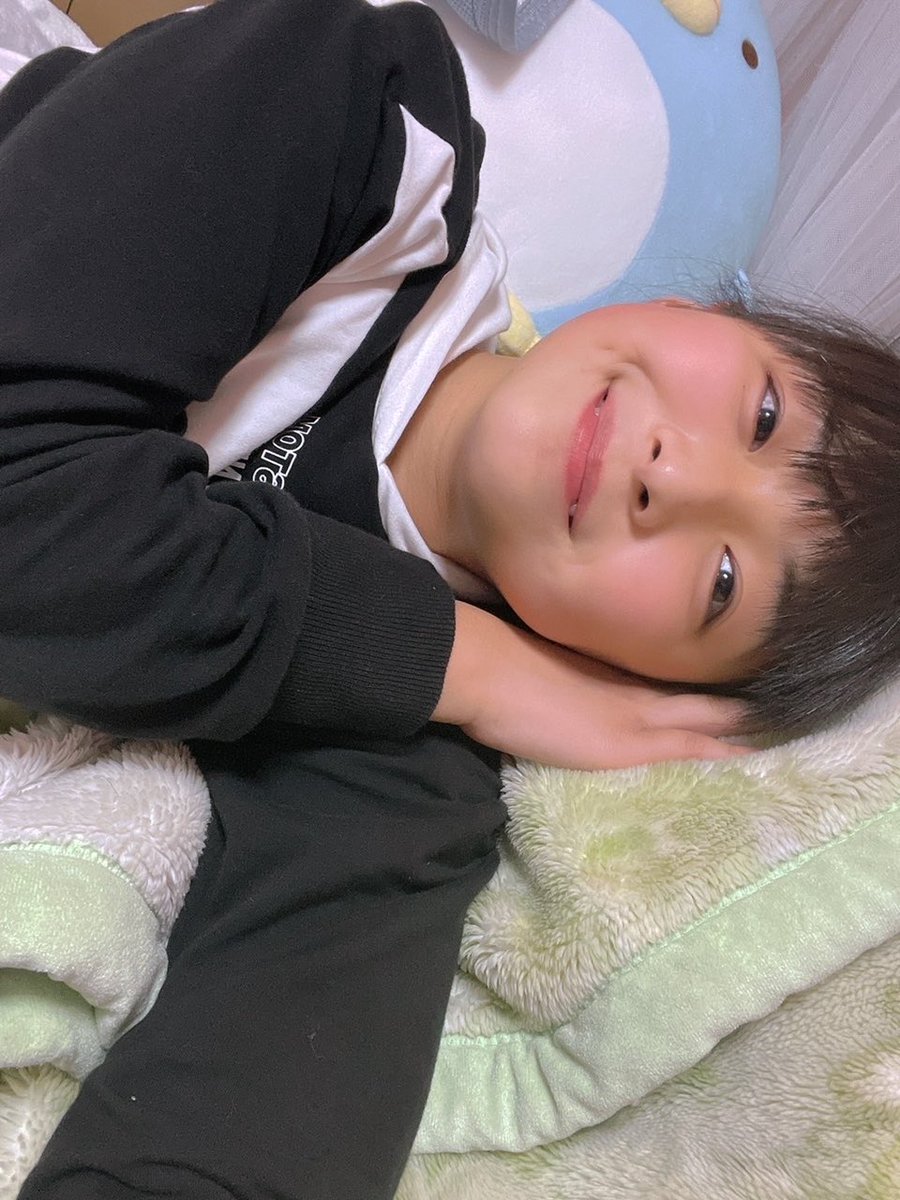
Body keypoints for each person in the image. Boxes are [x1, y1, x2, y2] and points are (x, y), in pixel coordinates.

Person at [2, 1, 898, 1197]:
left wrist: (452, 677)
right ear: (694, 312)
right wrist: (471, 665)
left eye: (723, 580)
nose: (675, 476)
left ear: (642, 677)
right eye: (766, 415)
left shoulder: (421, 751)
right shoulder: (360, 116)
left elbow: (281, 1090)